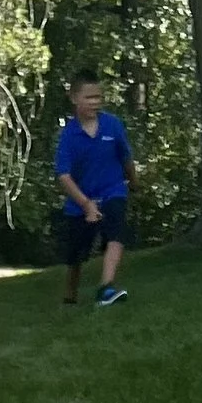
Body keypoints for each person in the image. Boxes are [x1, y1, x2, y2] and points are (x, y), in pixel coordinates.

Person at [54, 77, 135, 308]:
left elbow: (125, 158)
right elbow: (63, 175)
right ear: (74, 98)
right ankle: (70, 294)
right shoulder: (69, 135)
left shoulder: (113, 125)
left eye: (98, 97)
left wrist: (135, 181)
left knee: (116, 233)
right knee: (76, 255)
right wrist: (86, 204)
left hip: (112, 190)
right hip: (80, 199)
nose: (94, 103)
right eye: (89, 98)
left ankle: (106, 288)